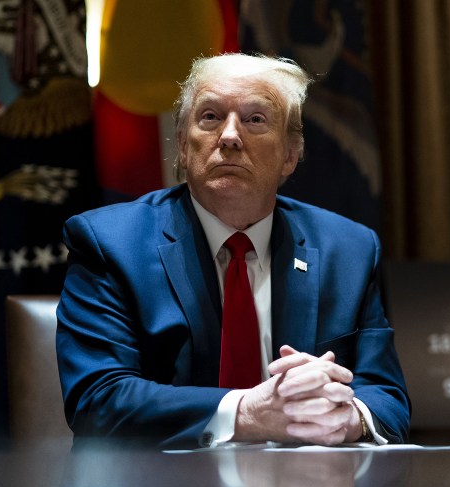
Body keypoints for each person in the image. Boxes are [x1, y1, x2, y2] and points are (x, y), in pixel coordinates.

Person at [56, 53, 409, 448]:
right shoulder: (109, 243)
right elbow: (97, 401)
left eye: (255, 119)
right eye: (209, 117)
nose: (229, 136)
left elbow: (387, 396)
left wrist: (346, 416)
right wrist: (248, 411)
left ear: (291, 154)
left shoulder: (350, 250)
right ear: (184, 148)